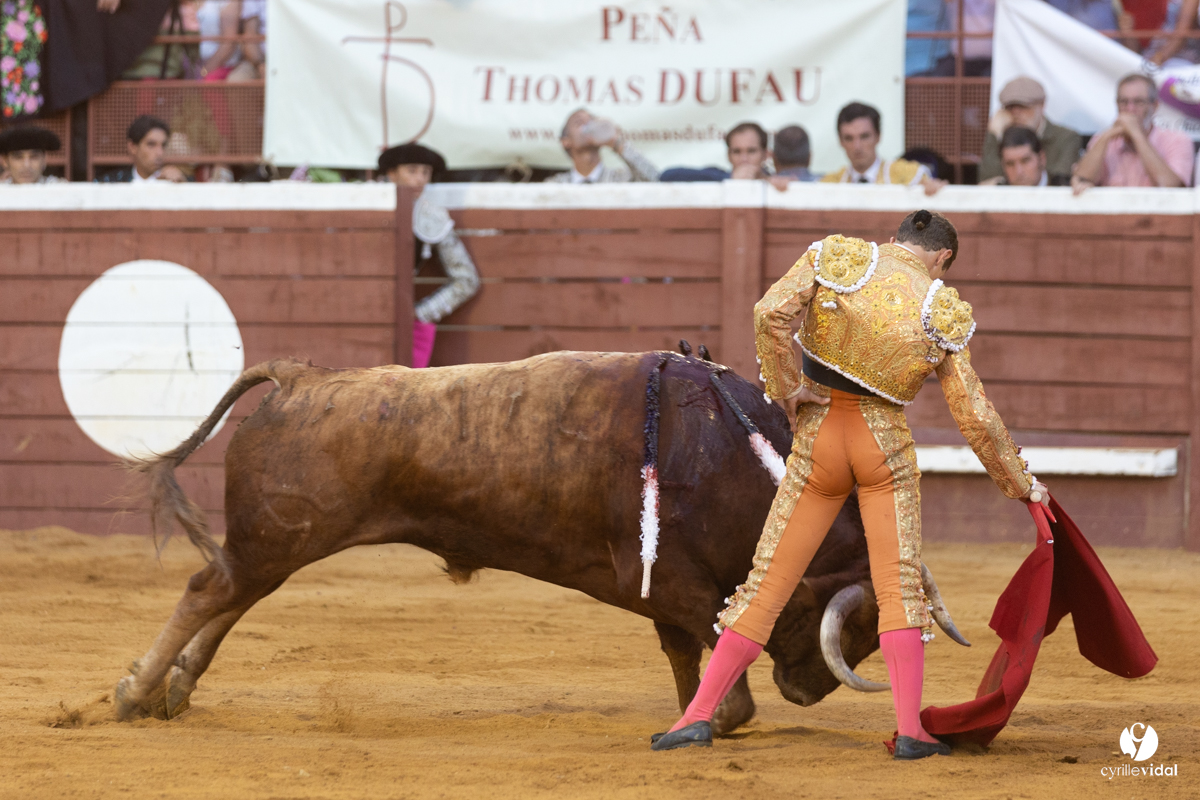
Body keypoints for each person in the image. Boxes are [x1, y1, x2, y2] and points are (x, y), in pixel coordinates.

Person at [650, 210, 1048, 758]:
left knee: (764, 585)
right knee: (898, 588)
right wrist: (1021, 484)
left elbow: (770, 314)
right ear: (942, 259)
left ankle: (695, 718)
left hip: (818, 440)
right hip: (882, 444)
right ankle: (911, 730)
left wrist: (788, 387)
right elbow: (974, 414)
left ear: (894, 240)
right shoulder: (939, 304)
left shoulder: (840, 258)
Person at [379, 142, 480, 368]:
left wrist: (422, 313)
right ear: (392, 174)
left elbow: (467, 280)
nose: (420, 179)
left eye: (426, 172)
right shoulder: (366, 207)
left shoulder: (431, 217)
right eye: (412, 170)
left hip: (404, 321)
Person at [1071, 73, 1194, 193]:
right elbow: (1081, 179)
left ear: (1155, 106)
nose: (1130, 109)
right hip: (1114, 212)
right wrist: (1106, 136)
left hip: (1156, 212)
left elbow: (1173, 188)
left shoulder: (1177, 140)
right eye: (1124, 102)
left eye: (1138, 102)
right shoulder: (1102, 139)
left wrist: (1137, 135)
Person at [821, 102, 946, 194]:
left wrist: (931, 185)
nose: (857, 146)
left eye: (864, 137)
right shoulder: (831, 182)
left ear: (878, 136)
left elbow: (925, 183)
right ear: (840, 141)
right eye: (849, 138)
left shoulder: (905, 174)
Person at [979, 77, 1082, 183]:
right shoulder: (1001, 136)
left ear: (1042, 105)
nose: (1016, 113)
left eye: (1023, 107)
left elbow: (1058, 181)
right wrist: (994, 135)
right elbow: (989, 182)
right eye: (1010, 108)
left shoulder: (1066, 138)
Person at [545, 109, 658, 183]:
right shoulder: (556, 185)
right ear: (566, 141)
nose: (588, 126)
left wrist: (616, 143)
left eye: (591, 122)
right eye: (579, 122)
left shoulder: (621, 179)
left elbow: (654, 180)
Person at [95, 116, 188, 183]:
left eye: (163, 145)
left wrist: (181, 187)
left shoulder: (176, 181)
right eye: (151, 144)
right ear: (133, 147)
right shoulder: (111, 182)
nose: (160, 153)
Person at [980, 126, 1071, 186]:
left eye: (1025, 161)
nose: (1019, 172)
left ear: (1042, 159)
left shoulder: (1064, 187)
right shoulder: (997, 193)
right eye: (1010, 164)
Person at [0, 126, 66, 183]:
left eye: (34, 157)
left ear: (44, 160)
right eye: (18, 157)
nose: (27, 165)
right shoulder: (2, 190)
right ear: (5, 161)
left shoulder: (59, 189)